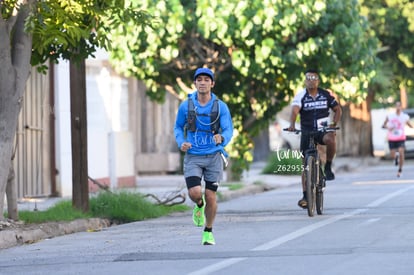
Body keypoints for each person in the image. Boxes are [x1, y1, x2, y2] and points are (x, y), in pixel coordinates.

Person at [174, 67, 233, 245]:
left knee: (211, 195)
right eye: (199, 79)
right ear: (195, 83)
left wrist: (221, 137)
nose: (202, 82)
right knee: (195, 193)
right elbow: (178, 127)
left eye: (206, 80)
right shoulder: (187, 105)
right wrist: (181, 142)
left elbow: (228, 129)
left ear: (212, 84)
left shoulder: (220, 106)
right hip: (193, 156)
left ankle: (208, 231)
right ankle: (198, 206)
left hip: (213, 156)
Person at [287, 69, 342, 209]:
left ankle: (328, 166)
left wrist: (333, 124)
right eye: (308, 78)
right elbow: (294, 111)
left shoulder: (325, 95)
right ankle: (306, 196)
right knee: (305, 165)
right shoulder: (300, 96)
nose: (311, 80)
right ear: (305, 81)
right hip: (307, 132)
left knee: (331, 138)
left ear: (318, 80)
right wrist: (292, 125)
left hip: (322, 130)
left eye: (313, 78)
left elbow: (338, 109)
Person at [382, 101, 413, 177]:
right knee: (392, 153)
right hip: (392, 137)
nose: (398, 107)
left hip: (401, 137)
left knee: (401, 152)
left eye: (399, 106)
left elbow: (410, 125)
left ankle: (400, 170)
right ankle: (395, 158)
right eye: (396, 106)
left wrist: (410, 126)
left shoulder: (404, 116)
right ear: (395, 107)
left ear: (401, 107)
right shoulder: (390, 116)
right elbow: (383, 125)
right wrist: (389, 127)